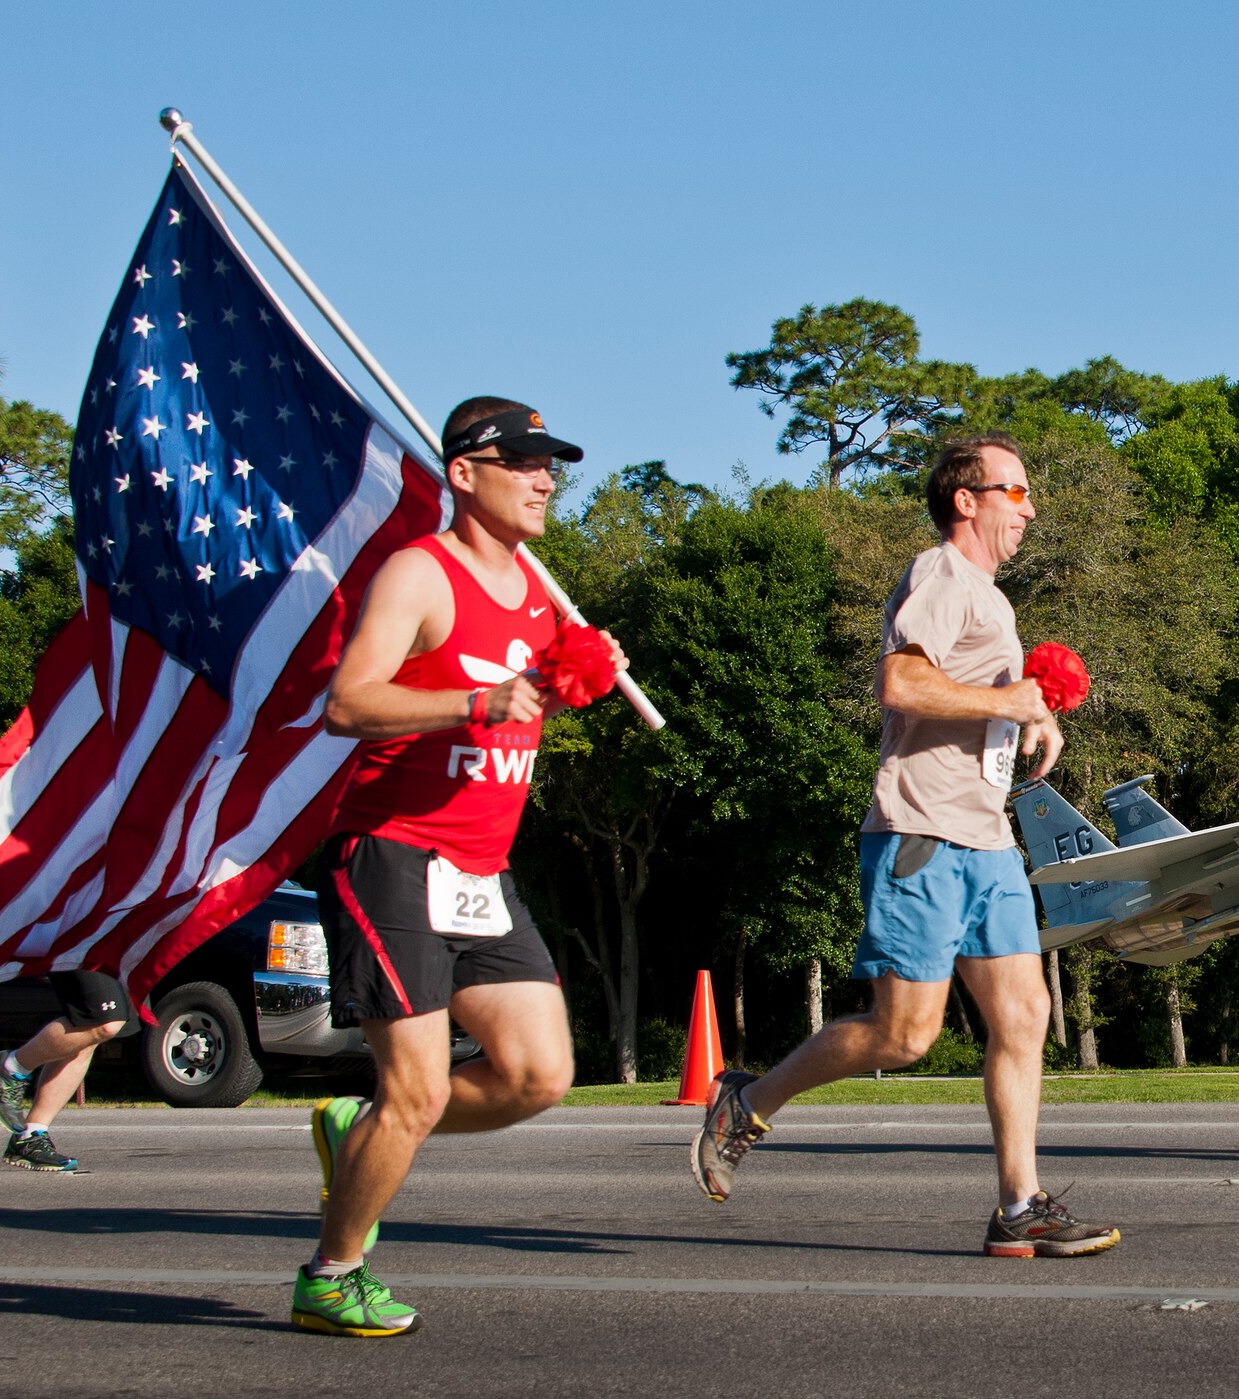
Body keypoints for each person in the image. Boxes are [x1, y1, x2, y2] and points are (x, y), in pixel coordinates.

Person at [689, 434, 1119, 1258]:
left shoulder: (992, 598)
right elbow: (901, 682)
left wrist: (1031, 713)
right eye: (1016, 492)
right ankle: (746, 1101)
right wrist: (1010, 695)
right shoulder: (941, 573)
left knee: (1026, 1015)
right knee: (906, 1034)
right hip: (922, 831)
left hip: (987, 838)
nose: (1030, 508)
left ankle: (1019, 1205)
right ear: (968, 499)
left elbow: (977, 694)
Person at [288, 396, 625, 1338]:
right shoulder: (420, 572)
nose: (544, 476)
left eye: (550, 461)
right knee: (420, 1086)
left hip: (482, 871)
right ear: (465, 474)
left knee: (537, 1073)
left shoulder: (536, 591)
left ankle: (357, 1133)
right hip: (390, 858)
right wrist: (476, 704)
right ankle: (331, 1271)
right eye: (521, 460)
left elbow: (537, 690)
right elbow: (348, 704)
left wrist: (579, 673)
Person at [0, 971, 138, 1172]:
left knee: (88, 1034)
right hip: (85, 942)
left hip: (118, 944)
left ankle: (30, 1136)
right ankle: (11, 1066)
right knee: (104, 1022)